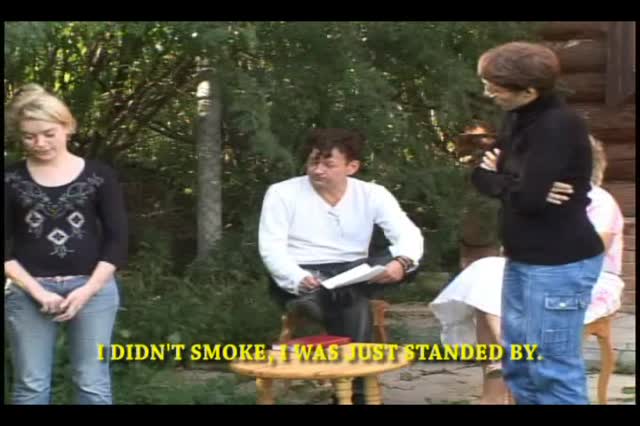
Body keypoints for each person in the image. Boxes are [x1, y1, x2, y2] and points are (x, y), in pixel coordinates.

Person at [430, 135, 624, 404]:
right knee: (487, 278)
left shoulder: (599, 200)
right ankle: (504, 377)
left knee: (494, 297)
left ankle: (498, 387)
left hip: (587, 280)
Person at [470, 42, 605, 404]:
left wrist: (507, 180)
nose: (488, 93)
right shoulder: (517, 117)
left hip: (559, 263)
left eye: (495, 87)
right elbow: (479, 176)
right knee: (520, 364)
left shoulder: (558, 125)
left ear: (529, 91)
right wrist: (515, 182)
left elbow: (529, 201)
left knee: (551, 369)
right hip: (522, 259)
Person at [258, 128, 424, 404]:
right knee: (351, 299)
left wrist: (401, 263)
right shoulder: (282, 193)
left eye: (328, 164)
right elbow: (271, 248)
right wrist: (298, 278)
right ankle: (356, 395)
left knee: (401, 262)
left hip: (354, 271)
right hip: (304, 273)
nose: (318, 170)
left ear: (352, 167)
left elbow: (408, 235)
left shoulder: (372, 193)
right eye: (313, 161)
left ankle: (321, 302)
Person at [4, 84, 128, 404]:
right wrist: (38, 291)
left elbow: (117, 240)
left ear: (67, 126)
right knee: (31, 386)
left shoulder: (99, 176)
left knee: (92, 383)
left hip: (93, 290)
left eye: (48, 134)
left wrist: (87, 291)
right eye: (29, 137)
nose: (40, 143)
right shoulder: (9, 179)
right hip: (27, 292)